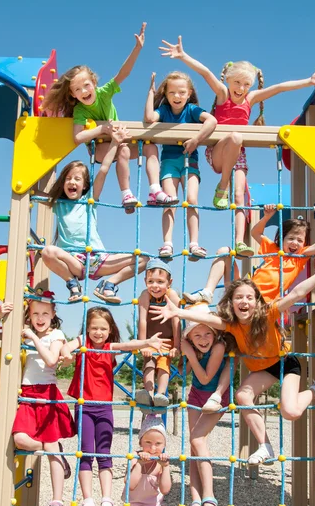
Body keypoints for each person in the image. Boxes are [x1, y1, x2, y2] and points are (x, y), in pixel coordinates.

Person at [150, 252, 315, 465]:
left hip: (284, 364)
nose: (244, 301)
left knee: (290, 411)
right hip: (261, 370)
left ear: (257, 301)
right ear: (231, 303)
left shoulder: (268, 313)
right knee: (243, 396)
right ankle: (266, 446)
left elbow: (297, 293)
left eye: (249, 297)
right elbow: (206, 318)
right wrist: (178, 312)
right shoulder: (232, 325)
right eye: (238, 297)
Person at [159, 36, 315, 257]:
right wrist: (184, 56)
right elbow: (206, 74)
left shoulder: (250, 100)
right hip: (218, 153)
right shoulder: (223, 96)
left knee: (240, 195)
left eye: (245, 84)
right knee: (234, 137)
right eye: (237, 83)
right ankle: (222, 186)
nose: (241, 89)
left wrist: (309, 81)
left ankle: (239, 242)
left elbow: (279, 88)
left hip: (238, 153)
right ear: (229, 80)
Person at [42, 23, 176, 212]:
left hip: (119, 143)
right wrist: (101, 129)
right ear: (72, 94)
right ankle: (126, 194)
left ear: (94, 82)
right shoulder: (80, 110)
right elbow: (77, 137)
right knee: (122, 149)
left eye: (86, 85)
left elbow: (123, 73)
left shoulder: (104, 93)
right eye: (77, 90)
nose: (84, 91)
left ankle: (154, 189)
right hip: (100, 149)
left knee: (150, 147)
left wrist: (137, 49)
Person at [60, 306, 169, 506]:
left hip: (104, 407)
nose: (98, 332)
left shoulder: (110, 347)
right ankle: (88, 500)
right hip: (84, 406)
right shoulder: (84, 343)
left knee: (104, 453)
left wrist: (147, 343)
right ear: (87, 329)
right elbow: (68, 346)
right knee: (85, 452)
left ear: (110, 330)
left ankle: (107, 500)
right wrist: (66, 354)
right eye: (94, 328)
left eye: (102, 328)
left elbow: (129, 345)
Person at [183, 204, 315, 305]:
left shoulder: (300, 257)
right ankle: (207, 293)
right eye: (291, 238)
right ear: (282, 238)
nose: (295, 243)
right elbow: (255, 233)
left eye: (300, 240)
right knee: (224, 251)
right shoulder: (273, 249)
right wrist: (267, 216)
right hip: (243, 290)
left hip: (261, 301)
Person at [39, 157, 148, 303]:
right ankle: (72, 284)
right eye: (68, 178)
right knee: (47, 251)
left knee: (143, 260)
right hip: (73, 261)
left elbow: (103, 170)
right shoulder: (59, 204)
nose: (72, 182)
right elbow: (33, 191)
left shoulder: (89, 200)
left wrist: (114, 143)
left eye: (77, 179)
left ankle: (108, 285)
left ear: (84, 186)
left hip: (96, 259)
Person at [12, 293, 75, 506]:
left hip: (46, 393)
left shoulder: (55, 335)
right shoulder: (22, 333)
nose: (40, 318)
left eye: (45, 314)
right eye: (35, 313)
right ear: (29, 314)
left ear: (53, 315)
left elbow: (50, 360)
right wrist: (0, 316)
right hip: (26, 394)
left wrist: (33, 337)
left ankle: (57, 500)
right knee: (20, 439)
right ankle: (54, 450)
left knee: (50, 443)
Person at [144, 71, 217, 260]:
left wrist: (196, 139)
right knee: (170, 201)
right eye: (172, 93)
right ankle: (167, 243)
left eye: (182, 92)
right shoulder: (165, 111)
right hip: (169, 162)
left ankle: (194, 243)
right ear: (166, 94)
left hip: (189, 159)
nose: (177, 97)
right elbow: (150, 118)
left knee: (192, 199)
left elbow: (212, 121)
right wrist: (151, 92)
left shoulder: (192, 110)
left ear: (189, 93)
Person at [181, 304, 233, 506]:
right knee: (193, 447)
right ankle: (195, 498)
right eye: (197, 335)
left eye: (207, 333)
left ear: (215, 333)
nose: (203, 339)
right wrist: (180, 349)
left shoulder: (219, 347)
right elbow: (184, 373)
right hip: (195, 397)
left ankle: (210, 498)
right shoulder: (194, 347)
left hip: (216, 398)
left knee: (197, 439)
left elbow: (204, 378)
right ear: (190, 337)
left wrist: (190, 354)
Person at [136, 259, 181, 410]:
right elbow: (142, 320)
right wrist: (143, 344)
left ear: (169, 282)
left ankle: (161, 394)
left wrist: (176, 346)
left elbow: (176, 322)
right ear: (145, 281)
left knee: (163, 363)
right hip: (150, 340)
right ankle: (148, 392)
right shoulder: (145, 295)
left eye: (160, 281)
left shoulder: (172, 295)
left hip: (167, 340)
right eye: (151, 281)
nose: (155, 286)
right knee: (149, 362)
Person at [122, 415, 171, 506]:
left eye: (158, 444)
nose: (153, 448)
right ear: (140, 442)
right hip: (137, 503)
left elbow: (165, 490)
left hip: (155, 504)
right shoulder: (134, 458)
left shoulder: (161, 462)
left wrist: (165, 467)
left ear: (164, 444)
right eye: (148, 443)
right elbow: (130, 485)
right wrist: (139, 465)